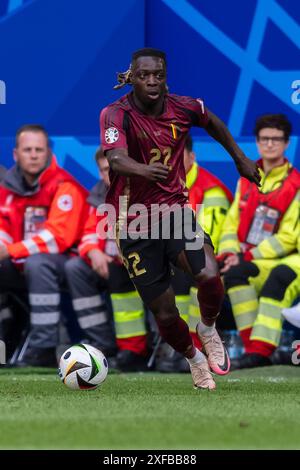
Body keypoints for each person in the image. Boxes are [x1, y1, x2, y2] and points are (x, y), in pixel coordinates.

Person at [99, 48, 260, 390]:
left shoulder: (185, 107)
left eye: (158, 74)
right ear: (133, 77)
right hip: (134, 220)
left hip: (174, 212)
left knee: (210, 276)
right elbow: (115, 160)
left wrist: (241, 159)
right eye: (145, 75)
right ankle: (194, 357)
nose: (153, 81)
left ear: (165, 75)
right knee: (166, 313)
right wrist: (144, 170)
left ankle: (207, 328)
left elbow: (213, 122)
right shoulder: (116, 114)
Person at [0, 124, 89, 366]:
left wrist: (10, 250)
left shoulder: (64, 185)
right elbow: (4, 227)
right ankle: (5, 339)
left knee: (38, 262)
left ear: (48, 152)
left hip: (69, 263)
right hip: (23, 262)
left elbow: (57, 238)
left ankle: (44, 347)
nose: (33, 154)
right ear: (16, 154)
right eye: (27, 149)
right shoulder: (7, 188)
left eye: (39, 149)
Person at [219, 114, 300, 369]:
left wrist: (248, 256)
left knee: (279, 277)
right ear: (256, 142)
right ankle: (252, 349)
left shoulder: (295, 184)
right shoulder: (247, 177)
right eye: (264, 139)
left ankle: (262, 350)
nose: (270, 144)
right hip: (256, 258)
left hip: (292, 258)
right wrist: (229, 253)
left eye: (276, 139)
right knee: (234, 274)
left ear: (286, 143)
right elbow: (231, 223)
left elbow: (288, 238)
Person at [65, 147, 149, 370]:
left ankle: (144, 349)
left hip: (147, 265)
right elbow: (88, 233)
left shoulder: (146, 191)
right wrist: (93, 251)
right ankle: (103, 343)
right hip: (112, 267)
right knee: (75, 267)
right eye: (105, 170)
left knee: (128, 269)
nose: (111, 175)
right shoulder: (100, 196)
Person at [157, 134, 233, 372]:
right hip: (175, 254)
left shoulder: (211, 191)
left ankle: (195, 344)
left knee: (188, 269)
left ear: (192, 157)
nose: (172, 164)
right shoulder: (160, 186)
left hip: (210, 258)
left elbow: (208, 237)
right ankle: (172, 345)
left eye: (179, 157)